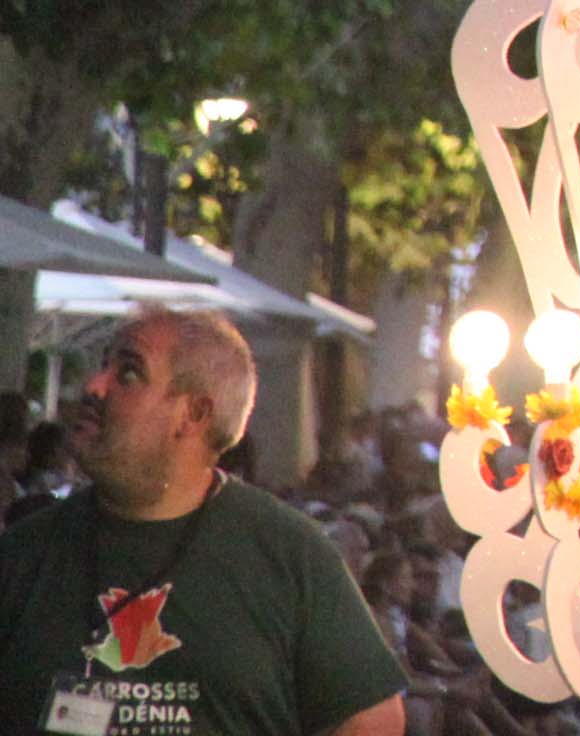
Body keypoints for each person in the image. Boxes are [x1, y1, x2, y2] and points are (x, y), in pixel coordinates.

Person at [0, 308, 406, 736]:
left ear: (193, 414)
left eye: (129, 373)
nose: (94, 386)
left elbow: (371, 720)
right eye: (103, 366)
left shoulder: (288, 553)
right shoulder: (25, 552)